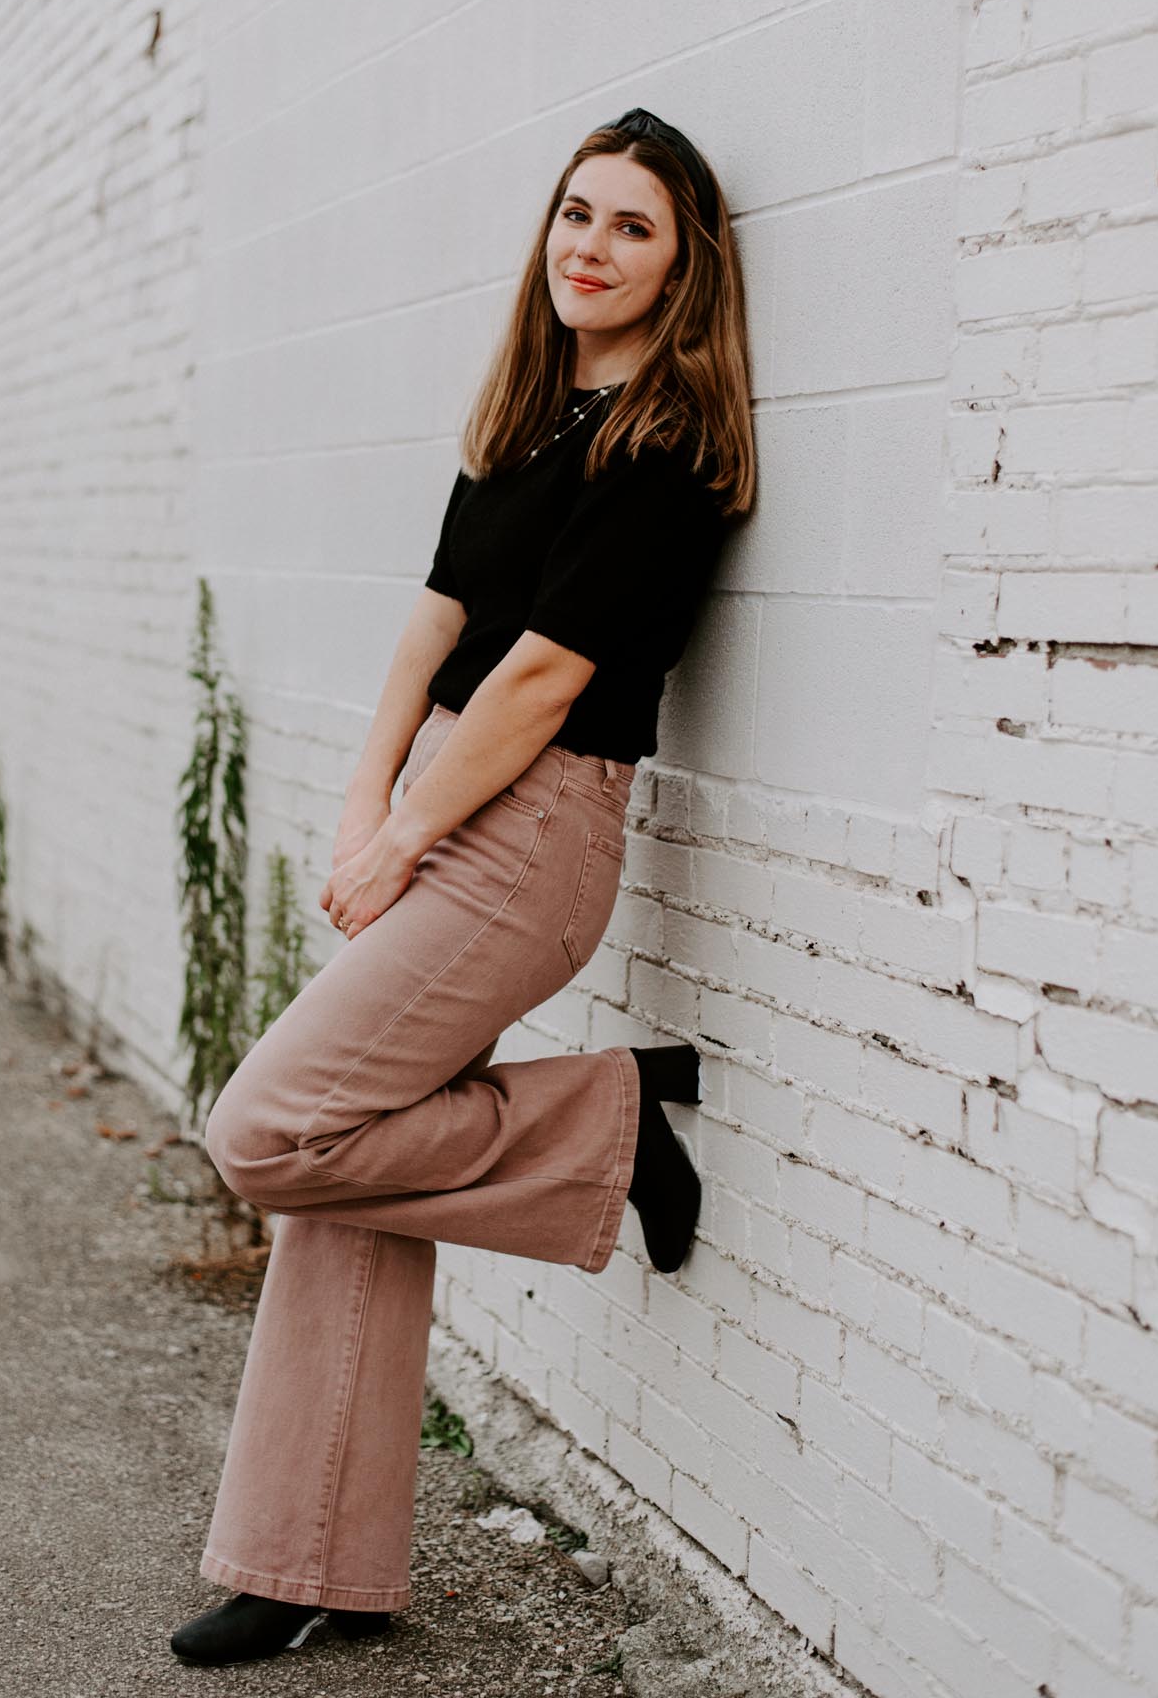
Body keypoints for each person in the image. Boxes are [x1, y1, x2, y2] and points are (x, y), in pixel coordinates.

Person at [170, 107, 756, 1667]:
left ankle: (611, 1117)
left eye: (633, 227)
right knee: (344, 1167)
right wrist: (364, 810)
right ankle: (314, 1563)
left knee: (267, 1131)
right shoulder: (530, 418)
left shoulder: (667, 445)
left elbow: (542, 678)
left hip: (533, 835)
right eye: (577, 213)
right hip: (449, 803)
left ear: (685, 265)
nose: (592, 247)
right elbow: (435, 633)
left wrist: (409, 834)